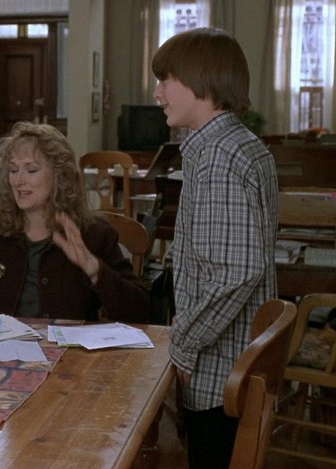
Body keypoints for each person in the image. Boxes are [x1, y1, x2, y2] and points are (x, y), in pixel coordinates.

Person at [152, 27, 278, 468]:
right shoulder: (238, 145)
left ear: (200, 81)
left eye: (166, 80)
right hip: (233, 363)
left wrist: (185, 343)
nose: (157, 93)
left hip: (221, 374)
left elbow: (237, 271)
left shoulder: (219, 158)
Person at [0, 121, 149, 323]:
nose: (19, 180)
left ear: (59, 176)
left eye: (31, 170)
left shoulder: (93, 234)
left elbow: (140, 312)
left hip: (65, 352)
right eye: (13, 170)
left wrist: (93, 268)